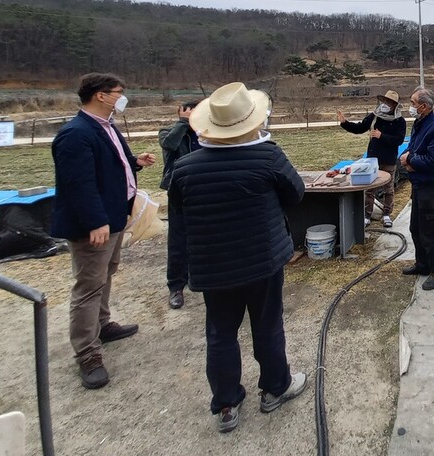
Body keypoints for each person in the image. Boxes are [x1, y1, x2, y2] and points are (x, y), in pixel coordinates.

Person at [167, 82, 308, 434]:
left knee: (220, 334)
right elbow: (296, 193)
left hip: (213, 266)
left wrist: (179, 274)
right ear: (251, 121)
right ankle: (276, 388)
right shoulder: (268, 155)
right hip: (262, 261)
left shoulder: (183, 170)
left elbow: (179, 228)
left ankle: (227, 404)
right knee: (267, 325)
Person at [51, 73, 156, 389]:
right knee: (88, 286)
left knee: (106, 274)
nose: (122, 97)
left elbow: (110, 165)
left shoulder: (105, 127)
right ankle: (87, 354)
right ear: (99, 95)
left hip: (114, 218)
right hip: (95, 225)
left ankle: (103, 324)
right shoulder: (75, 134)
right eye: (118, 92)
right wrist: (95, 221)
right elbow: (78, 184)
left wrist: (135, 162)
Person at [398, 86, 434, 291]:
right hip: (418, 185)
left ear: (424, 106)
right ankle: (423, 264)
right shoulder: (419, 124)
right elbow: (413, 147)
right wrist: (409, 158)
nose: (410, 106)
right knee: (416, 228)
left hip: (430, 188)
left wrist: (410, 159)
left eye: (413, 103)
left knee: (432, 231)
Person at [336, 89, 406, 227]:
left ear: (395, 105)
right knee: (370, 189)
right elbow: (360, 128)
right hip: (373, 159)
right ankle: (367, 215)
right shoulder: (374, 116)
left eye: (390, 102)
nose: (386, 104)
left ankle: (387, 214)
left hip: (389, 159)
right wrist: (345, 123)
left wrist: (382, 136)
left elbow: (399, 140)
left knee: (388, 189)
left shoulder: (400, 121)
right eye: (385, 101)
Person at [158, 101, 200, 310]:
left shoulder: (206, 133)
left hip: (203, 191)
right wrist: (183, 123)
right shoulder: (170, 132)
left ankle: (196, 275)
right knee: (178, 240)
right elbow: (169, 145)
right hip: (180, 193)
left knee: (202, 237)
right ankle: (176, 286)